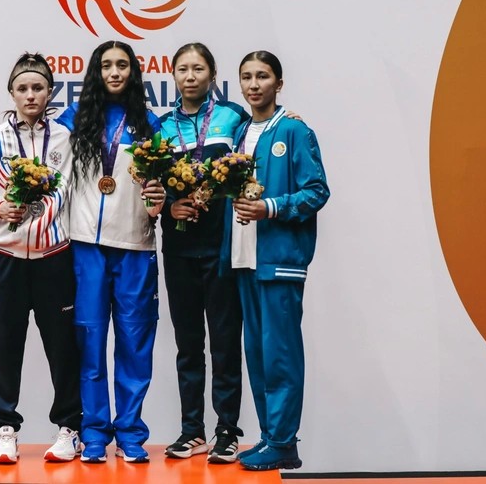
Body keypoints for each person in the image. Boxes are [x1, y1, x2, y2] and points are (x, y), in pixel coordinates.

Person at [0, 52, 81, 464]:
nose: (30, 95)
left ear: (50, 92)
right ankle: (5, 431)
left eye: (38, 87)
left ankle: (69, 429)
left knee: (63, 346)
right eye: (23, 88)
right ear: (11, 93)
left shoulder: (67, 138)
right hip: (4, 257)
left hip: (54, 256)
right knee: (4, 345)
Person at [221, 50, 330, 471]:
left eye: (263, 76)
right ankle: (271, 438)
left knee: (280, 355)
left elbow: (316, 191)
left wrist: (270, 207)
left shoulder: (294, 130)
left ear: (278, 84)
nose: (253, 84)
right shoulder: (239, 132)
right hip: (243, 259)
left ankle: (284, 441)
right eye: (246, 77)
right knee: (258, 354)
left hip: (278, 260)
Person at [60, 40, 165, 464]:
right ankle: (94, 432)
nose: (115, 72)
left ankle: (131, 432)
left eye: (122, 65)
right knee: (88, 342)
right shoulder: (73, 119)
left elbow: (167, 179)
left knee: (135, 344)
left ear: (133, 73)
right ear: (96, 72)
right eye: (107, 65)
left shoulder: (149, 124)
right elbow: (37, 145)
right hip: (86, 247)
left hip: (135, 245)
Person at [157, 43, 246, 463]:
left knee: (225, 342)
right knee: (188, 343)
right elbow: (150, 187)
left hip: (221, 247)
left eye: (198, 69)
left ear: (212, 74)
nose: (190, 76)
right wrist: (169, 206)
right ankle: (192, 430)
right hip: (178, 248)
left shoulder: (233, 117)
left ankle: (226, 430)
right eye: (182, 69)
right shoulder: (161, 126)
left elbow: (262, 138)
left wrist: (292, 117)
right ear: (173, 75)